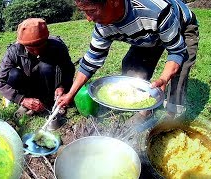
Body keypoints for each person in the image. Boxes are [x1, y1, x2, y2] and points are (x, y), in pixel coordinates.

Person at [58, 0, 199, 123]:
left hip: (181, 26)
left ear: (113, 1)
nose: (88, 18)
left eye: (92, 11)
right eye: (84, 12)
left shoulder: (156, 10)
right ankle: (144, 110)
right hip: (148, 35)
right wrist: (70, 94)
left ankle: (173, 117)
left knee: (179, 72)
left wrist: (164, 78)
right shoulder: (103, 27)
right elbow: (91, 60)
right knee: (131, 67)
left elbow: (177, 50)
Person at [0, 18, 75, 118]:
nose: (36, 52)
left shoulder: (57, 45)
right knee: (12, 74)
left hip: (51, 85)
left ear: (47, 39)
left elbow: (68, 69)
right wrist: (22, 99)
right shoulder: (14, 51)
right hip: (30, 86)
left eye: (40, 46)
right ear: (22, 44)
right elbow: (0, 82)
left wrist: (62, 86)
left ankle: (50, 102)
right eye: (30, 48)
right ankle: (29, 103)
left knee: (46, 66)